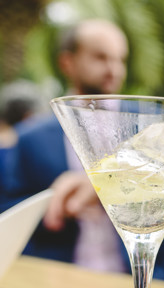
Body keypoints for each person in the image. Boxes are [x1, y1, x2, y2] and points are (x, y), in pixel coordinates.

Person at [1, 19, 130, 273]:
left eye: (120, 59)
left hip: (135, 276)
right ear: (67, 63)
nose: (114, 69)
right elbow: (7, 208)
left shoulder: (150, 125)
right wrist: (52, 200)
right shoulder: (30, 137)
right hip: (61, 275)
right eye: (101, 57)